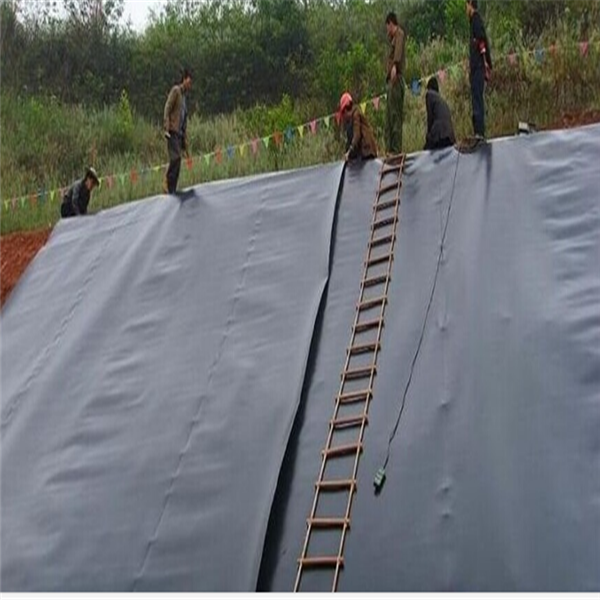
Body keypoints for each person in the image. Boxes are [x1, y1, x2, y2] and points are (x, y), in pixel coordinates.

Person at [163, 68, 192, 194]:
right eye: (189, 82)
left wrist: (185, 140)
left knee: (178, 163)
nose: (190, 85)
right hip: (172, 131)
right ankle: (167, 183)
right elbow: (167, 107)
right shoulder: (176, 91)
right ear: (184, 79)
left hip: (179, 134)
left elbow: (184, 118)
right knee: (175, 158)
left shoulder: (184, 98)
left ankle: (172, 189)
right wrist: (166, 126)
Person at [466, 0, 492, 140]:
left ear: (470, 4)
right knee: (476, 97)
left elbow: (482, 42)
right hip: (476, 66)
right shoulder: (473, 22)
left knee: (477, 98)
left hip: (478, 67)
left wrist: (485, 63)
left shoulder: (476, 19)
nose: (466, 9)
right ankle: (478, 130)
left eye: (466, 5)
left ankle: (479, 132)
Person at [385, 12, 407, 155]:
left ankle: (396, 150)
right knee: (389, 118)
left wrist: (394, 66)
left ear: (391, 24)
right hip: (391, 82)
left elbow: (397, 53)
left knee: (395, 117)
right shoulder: (392, 39)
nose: (387, 30)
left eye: (387, 27)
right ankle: (389, 148)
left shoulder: (399, 34)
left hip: (396, 80)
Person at [338, 92, 378, 162]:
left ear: (346, 111)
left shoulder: (356, 114)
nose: (344, 117)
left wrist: (349, 152)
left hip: (367, 150)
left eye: (344, 114)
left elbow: (357, 135)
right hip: (359, 152)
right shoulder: (349, 122)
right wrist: (347, 153)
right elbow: (349, 141)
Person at [424, 76, 456, 151]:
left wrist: (428, 137)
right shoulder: (442, 100)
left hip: (439, 132)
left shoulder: (429, 94)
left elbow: (430, 118)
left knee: (426, 151)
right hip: (449, 135)